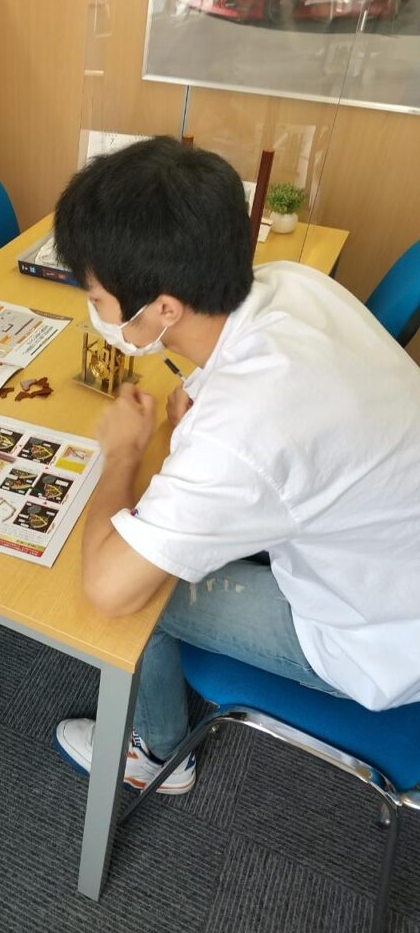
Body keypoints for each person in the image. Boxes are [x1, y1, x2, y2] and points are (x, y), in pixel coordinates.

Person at [51, 135, 420, 795]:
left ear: (165, 308)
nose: (94, 311)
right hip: (388, 548)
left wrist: (124, 455)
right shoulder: (294, 283)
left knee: (140, 600)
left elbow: (110, 587)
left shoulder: (242, 434)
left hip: (380, 634)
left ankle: (158, 752)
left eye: (98, 299)